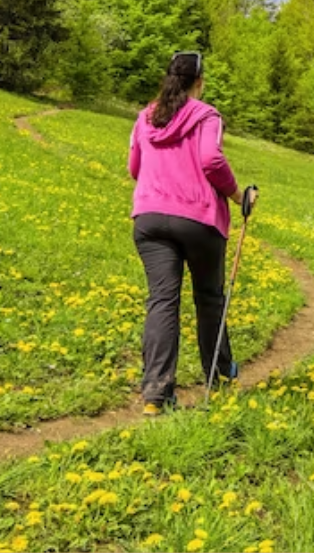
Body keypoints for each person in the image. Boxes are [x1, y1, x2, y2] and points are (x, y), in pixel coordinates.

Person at [128, 50, 250, 415]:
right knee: (209, 299)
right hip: (198, 219)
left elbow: (134, 167)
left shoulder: (145, 117)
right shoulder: (206, 115)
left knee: (162, 301)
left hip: (150, 218)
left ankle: (155, 396)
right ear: (200, 81)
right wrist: (238, 195)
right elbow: (210, 159)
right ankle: (221, 377)